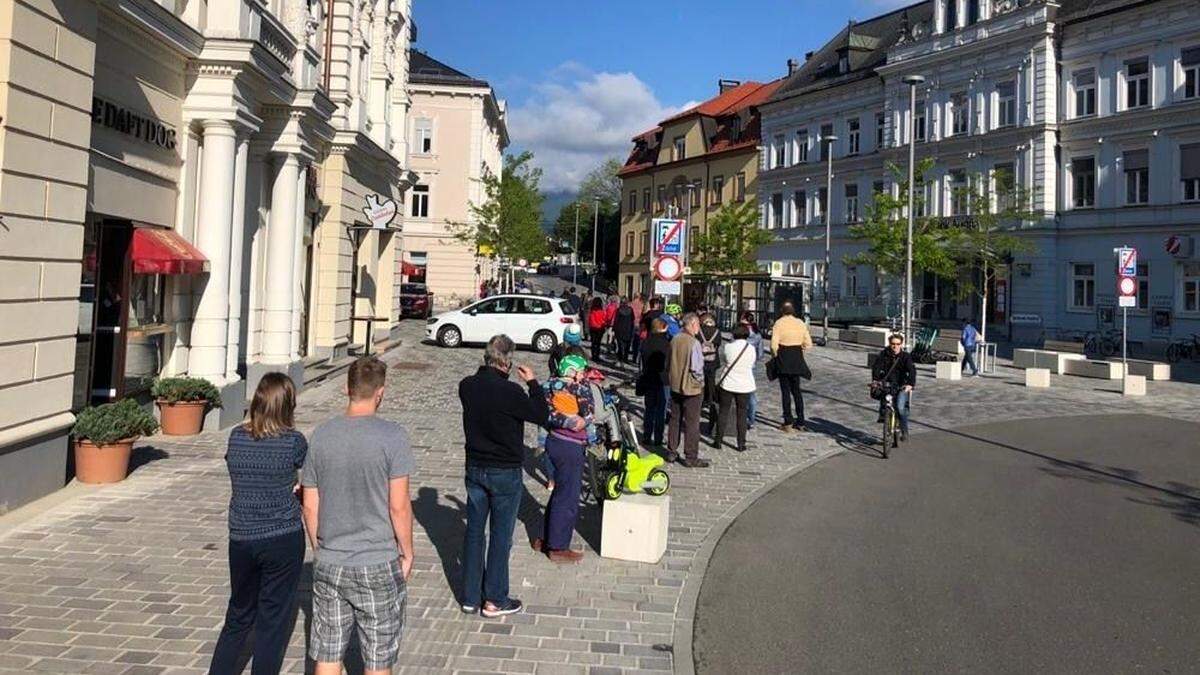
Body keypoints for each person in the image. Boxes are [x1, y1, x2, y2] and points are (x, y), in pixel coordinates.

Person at [301, 357, 415, 675]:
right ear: (381, 392)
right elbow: (399, 505)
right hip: (377, 558)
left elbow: (310, 504)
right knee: (378, 657)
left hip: (331, 559)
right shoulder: (393, 436)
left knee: (327, 650)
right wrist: (407, 551)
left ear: (346, 389)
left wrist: (319, 548)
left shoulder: (322, 435)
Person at [209, 374, 307, 675]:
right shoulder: (294, 442)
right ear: (287, 405)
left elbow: (236, 468)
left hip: (241, 536)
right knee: (273, 621)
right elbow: (307, 483)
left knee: (238, 616)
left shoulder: (237, 437)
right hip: (282, 536)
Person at [457, 335, 551, 617]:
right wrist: (533, 383)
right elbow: (541, 414)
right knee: (501, 535)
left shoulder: (467, 386)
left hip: (475, 467)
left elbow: (479, 384)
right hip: (505, 471)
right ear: (508, 362)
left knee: (474, 532)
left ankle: (471, 597)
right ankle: (495, 598)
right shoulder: (512, 393)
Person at [532, 354, 594, 563]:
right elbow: (588, 413)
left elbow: (545, 412)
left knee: (559, 491)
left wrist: (562, 420)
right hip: (571, 445)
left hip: (554, 441)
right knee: (568, 496)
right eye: (582, 370)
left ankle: (543, 537)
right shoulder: (580, 388)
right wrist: (574, 421)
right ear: (574, 372)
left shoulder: (548, 385)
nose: (584, 374)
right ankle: (557, 547)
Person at [667, 313, 710, 468]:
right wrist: (701, 383)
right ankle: (691, 456)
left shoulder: (674, 339)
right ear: (692, 324)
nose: (699, 328)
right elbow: (697, 368)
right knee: (692, 422)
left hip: (675, 385)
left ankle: (672, 451)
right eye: (698, 324)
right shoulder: (694, 343)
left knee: (675, 419)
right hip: (691, 388)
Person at [769, 301, 814, 433]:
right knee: (797, 391)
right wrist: (801, 350)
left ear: (782, 311)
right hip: (796, 358)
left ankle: (788, 421)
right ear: (793, 311)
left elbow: (773, 345)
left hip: (784, 357)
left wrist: (775, 356)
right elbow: (808, 343)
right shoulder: (800, 323)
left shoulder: (779, 323)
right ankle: (801, 421)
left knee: (785, 392)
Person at [715, 325, 756, 453]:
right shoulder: (751, 349)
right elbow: (752, 363)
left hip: (728, 383)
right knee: (742, 413)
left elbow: (725, 360)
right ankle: (741, 443)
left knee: (723, 411)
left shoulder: (728, 347)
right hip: (745, 384)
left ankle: (718, 440)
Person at [872, 333, 917, 441]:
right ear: (889, 343)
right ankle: (884, 415)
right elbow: (876, 367)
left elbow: (912, 371)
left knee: (901, 408)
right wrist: (875, 380)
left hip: (901, 385)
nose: (895, 346)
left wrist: (910, 384)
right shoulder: (884, 354)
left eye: (898, 344)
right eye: (893, 344)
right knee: (884, 398)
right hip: (887, 383)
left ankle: (904, 430)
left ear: (901, 344)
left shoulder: (905, 356)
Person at [638, 317, 672, 449]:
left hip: (648, 378)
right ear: (662, 328)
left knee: (649, 408)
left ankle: (647, 435)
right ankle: (658, 437)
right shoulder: (667, 343)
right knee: (661, 410)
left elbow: (641, 360)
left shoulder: (646, 342)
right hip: (663, 380)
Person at [739, 311, 764, 430]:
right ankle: (751, 418)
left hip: (738, 366)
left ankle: (739, 416)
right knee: (751, 393)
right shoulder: (758, 335)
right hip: (751, 366)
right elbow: (760, 354)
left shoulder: (739, 332)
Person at [698, 313, 723, 421]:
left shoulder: (700, 331)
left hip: (701, 359)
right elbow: (719, 343)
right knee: (711, 380)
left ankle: (702, 399)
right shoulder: (717, 331)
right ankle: (710, 399)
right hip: (713, 360)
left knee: (701, 380)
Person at [613, 297, 635, 363]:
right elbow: (632, 319)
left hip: (620, 330)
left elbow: (616, 321)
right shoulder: (630, 310)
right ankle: (625, 358)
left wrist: (614, 329)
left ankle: (620, 357)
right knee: (627, 345)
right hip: (628, 329)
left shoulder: (618, 310)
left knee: (620, 345)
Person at [586, 297, 608, 363]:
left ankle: (593, 355)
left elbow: (590, 320)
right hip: (600, 328)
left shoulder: (592, 311)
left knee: (593, 342)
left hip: (593, 328)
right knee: (598, 343)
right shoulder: (602, 311)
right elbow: (604, 319)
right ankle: (597, 356)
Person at [630, 293, 645, 363]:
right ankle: (637, 357)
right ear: (639, 297)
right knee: (638, 341)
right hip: (639, 324)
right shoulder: (642, 305)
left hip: (632, 324)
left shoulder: (630, 304)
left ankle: (634, 356)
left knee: (633, 341)